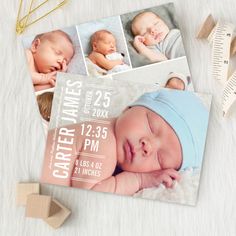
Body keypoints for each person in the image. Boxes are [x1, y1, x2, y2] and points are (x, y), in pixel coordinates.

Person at [41, 89, 209, 196]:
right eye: (151, 126)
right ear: (129, 107)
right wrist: (138, 180)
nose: (147, 146)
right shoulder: (103, 138)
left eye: (160, 158)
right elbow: (89, 195)